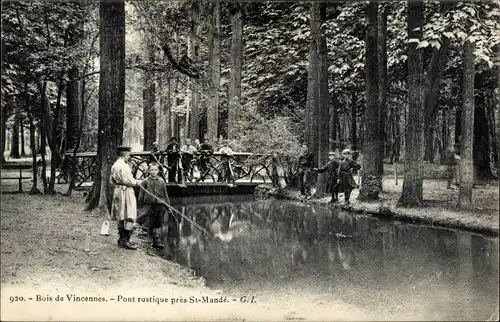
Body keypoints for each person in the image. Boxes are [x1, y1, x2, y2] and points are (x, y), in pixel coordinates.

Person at [110, 145, 143, 250]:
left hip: (117, 190)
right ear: (124, 154)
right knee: (130, 215)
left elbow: (111, 180)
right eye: (128, 154)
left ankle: (121, 239)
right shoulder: (124, 166)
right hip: (126, 191)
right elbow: (130, 181)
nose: (129, 156)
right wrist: (140, 182)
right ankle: (125, 240)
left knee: (120, 215)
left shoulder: (114, 165)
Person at [137, 163, 170, 249]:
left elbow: (165, 195)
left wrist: (168, 206)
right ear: (149, 171)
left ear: (158, 171)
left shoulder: (162, 181)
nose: (153, 172)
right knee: (141, 219)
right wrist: (139, 206)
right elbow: (141, 195)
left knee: (157, 223)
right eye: (152, 170)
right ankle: (130, 236)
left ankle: (156, 241)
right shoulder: (145, 181)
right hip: (148, 205)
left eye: (155, 170)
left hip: (159, 205)